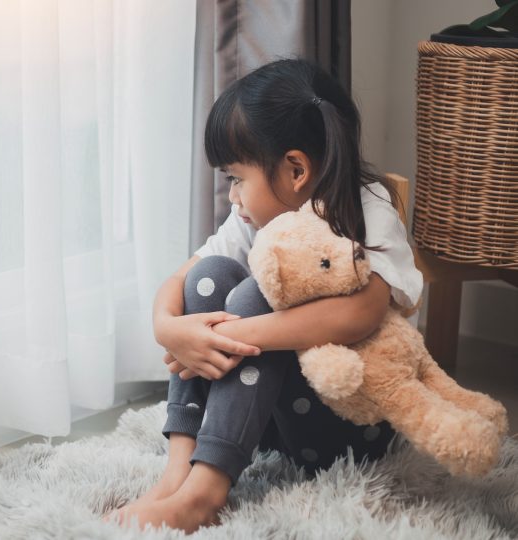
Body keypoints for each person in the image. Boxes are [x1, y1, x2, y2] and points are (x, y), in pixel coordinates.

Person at [106, 59, 424, 533]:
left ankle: (205, 495)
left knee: (255, 295)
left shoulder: (367, 209)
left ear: (296, 169)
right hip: (270, 422)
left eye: (236, 178)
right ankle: (180, 471)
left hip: (353, 429)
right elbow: (182, 279)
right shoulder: (252, 219)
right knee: (211, 276)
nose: (233, 197)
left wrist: (230, 334)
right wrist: (170, 329)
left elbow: (362, 312)